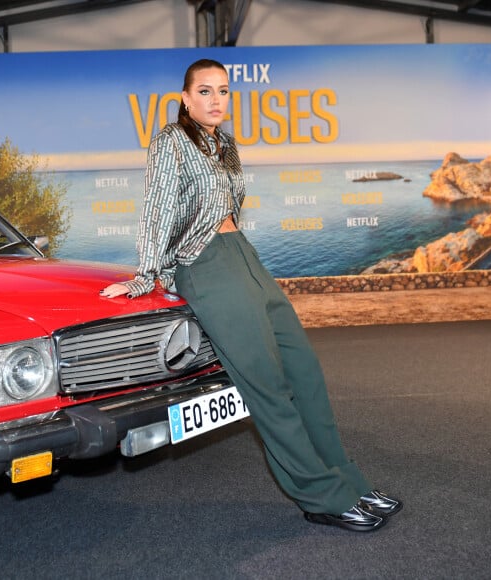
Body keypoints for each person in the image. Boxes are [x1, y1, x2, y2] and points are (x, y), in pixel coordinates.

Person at [100, 58, 402, 532]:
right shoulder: (170, 141)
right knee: (268, 387)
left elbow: (230, 208)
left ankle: (349, 481)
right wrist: (146, 276)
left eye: (222, 91)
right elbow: (157, 207)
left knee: (304, 372)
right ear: (185, 97)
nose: (215, 100)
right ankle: (321, 497)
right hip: (205, 266)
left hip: (242, 254)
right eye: (204, 91)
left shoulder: (226, 145)